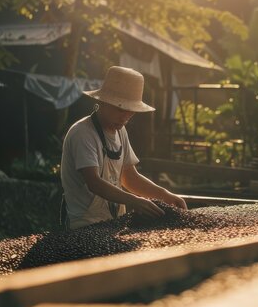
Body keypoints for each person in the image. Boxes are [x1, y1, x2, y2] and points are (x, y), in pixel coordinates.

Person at [60, 66, 187, 230]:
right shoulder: (83, 133)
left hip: (114, 223)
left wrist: (165, 195)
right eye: (120, 109)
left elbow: (129, 177)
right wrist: (135, 201)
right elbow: (94, 183)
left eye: (130, 111)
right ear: (102, 102)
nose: (125, 117)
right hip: (84, 225)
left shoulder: (120, 132)